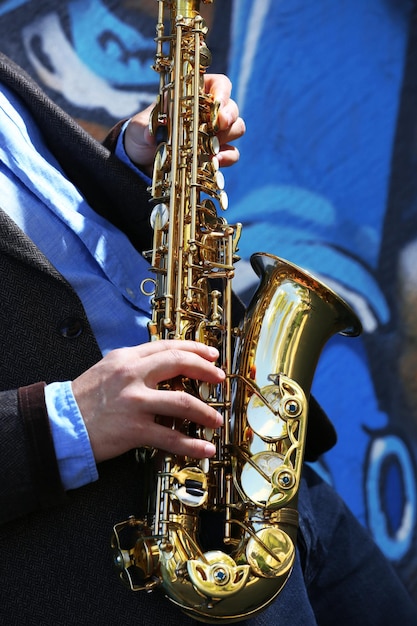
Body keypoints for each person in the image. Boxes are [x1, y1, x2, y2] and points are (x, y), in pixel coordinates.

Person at [0, 51, 415, 626]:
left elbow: (57, 225)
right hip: (143, 560)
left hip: (261, 466)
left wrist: (139, 157)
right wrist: (67, 422)